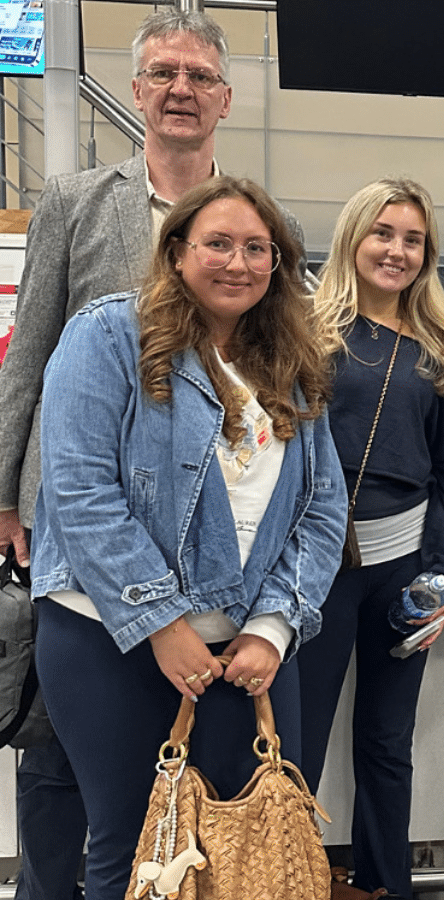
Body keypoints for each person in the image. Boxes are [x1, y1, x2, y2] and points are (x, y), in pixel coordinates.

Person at [0, 11, 305, 899]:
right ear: (136, 91)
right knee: (66, 760)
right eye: (164, 73)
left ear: (225, 99)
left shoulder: (259, 220)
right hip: (84, 518)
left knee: (175, 794)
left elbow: (283, 365)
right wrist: (7, 494)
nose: (181, 89)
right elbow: (31, 354)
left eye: (199, 76)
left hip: (214, 534)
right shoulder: (75, 202)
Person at [28, 176, 346, 900]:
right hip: (108, 638)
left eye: (257, 248)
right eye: (218, 244)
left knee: (247, 851)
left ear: (278, 263)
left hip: (248, 650)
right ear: (176, 252)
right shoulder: (108, 335)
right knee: (138, 850)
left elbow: (323, 508)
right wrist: (161, 624)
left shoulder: (290, 361)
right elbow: (79, 492)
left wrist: (273, 627)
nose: (238, 263)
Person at [297, 178, 444, 898]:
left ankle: (385, 885)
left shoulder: (441, 346)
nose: (397, 250)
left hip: (404, 568)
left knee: (388, 744)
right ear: (353, 237)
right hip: (318, 565)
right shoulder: (306, 331)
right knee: (297, 742)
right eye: (384, 233)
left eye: (413, 239)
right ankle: (289, 879)